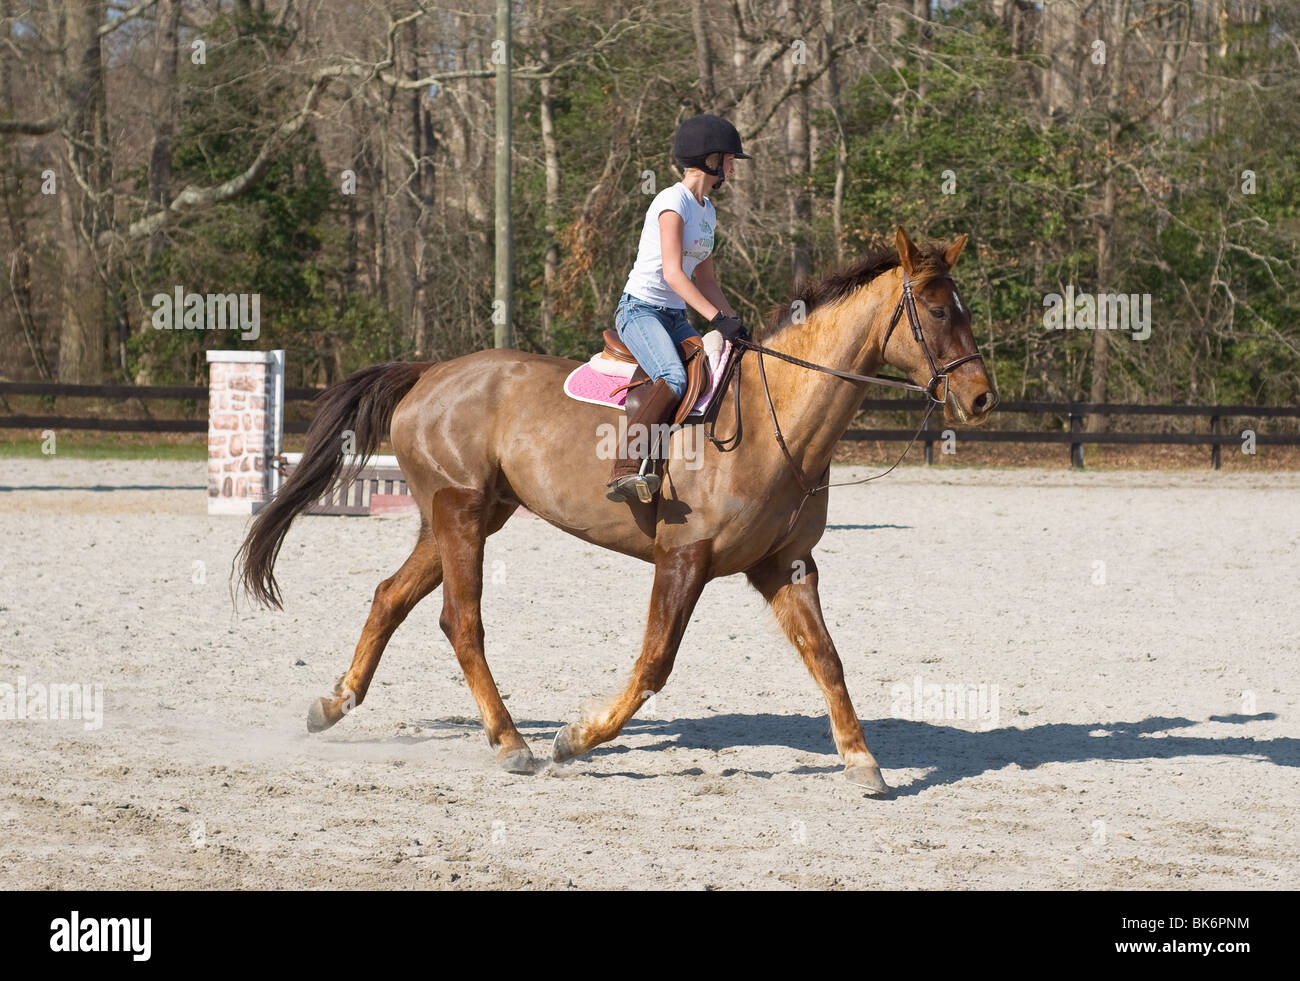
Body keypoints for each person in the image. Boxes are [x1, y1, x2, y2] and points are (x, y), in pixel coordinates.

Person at [605, 113, 752, 503]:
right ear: (710, 160)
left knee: (713, 372)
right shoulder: (672, 201)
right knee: (673, 377)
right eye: (730, 160)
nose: (732, 168)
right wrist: (715, 318)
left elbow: (706, 280)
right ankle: (625, 467)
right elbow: (673, 274)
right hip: (640, 310)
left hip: (674, 316)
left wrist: (733, 321)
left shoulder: (707, 211)